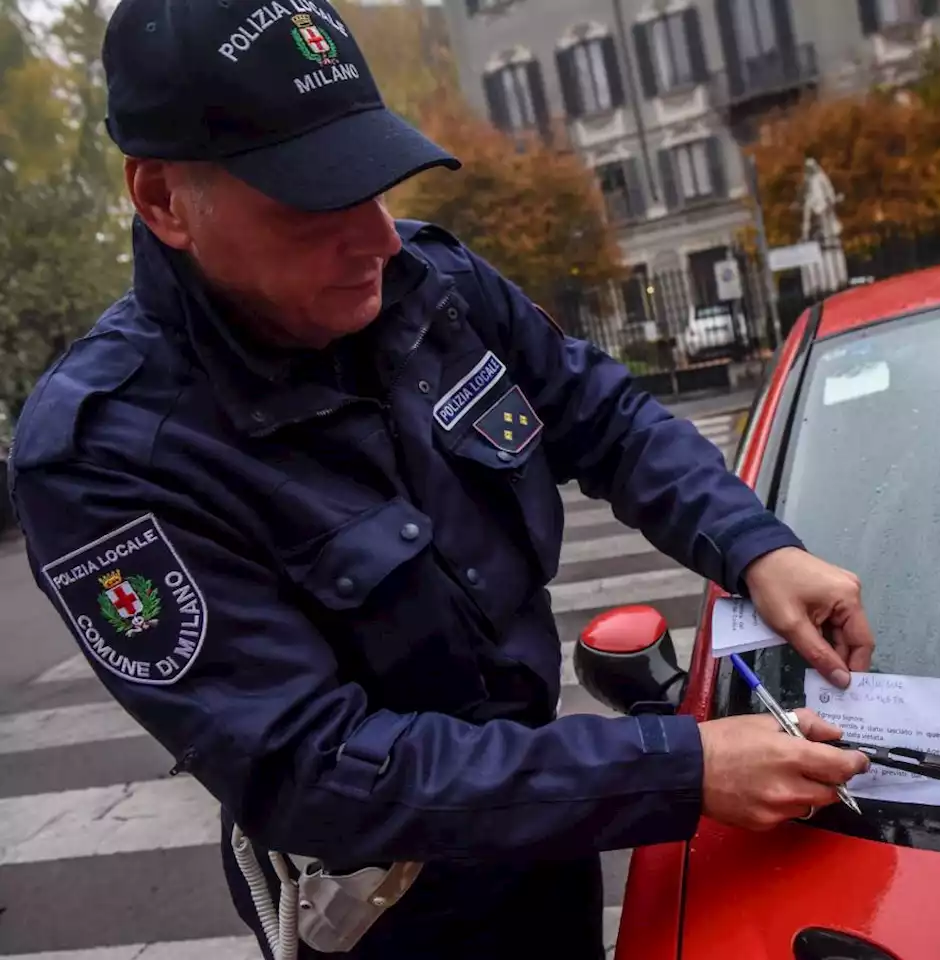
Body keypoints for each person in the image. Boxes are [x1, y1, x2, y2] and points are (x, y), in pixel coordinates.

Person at [7, 0, 876, 956]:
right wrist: (677, 768)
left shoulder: (426, 281)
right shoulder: (106, 453)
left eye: (374, 183)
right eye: (312, 206)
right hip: (392, 908)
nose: (378, 239)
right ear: (166, 201)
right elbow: (315, 770)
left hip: (553, 825)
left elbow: (604, 417)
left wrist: (756, 548)